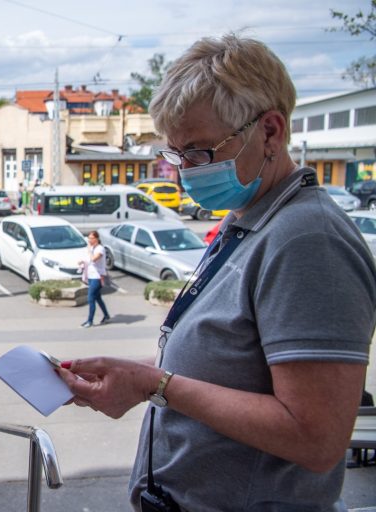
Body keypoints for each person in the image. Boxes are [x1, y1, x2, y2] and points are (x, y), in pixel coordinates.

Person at [56, 34, 376, 511]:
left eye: (201, 153)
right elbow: (230, 366)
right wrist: (130, 373)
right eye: (175, 154)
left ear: (270, 131)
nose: (185, 171)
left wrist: (154, 385)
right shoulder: (250, 216)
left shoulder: (310, 241)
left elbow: (315, 438)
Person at [79, 230, 110, 328]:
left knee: (90, 298)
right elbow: (89, 260)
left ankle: (90, 320)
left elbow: (94, 259)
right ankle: (106, 315)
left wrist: (89, 250)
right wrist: (82, 262)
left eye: (91, 238)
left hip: (98, 277)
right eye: (89, 238)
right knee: (97, 298)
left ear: (96, 239)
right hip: (91, 276)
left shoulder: (100, 249)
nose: (89, 240)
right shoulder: (92, 248)